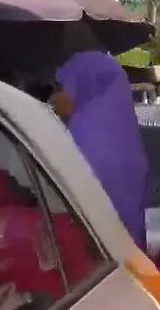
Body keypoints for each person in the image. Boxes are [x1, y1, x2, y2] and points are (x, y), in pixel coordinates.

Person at [53, 51, 150, 250]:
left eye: (62, 87)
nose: (58, 95)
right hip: (131, 260)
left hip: (94, 258)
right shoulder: (127, 142)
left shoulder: (81, 146)